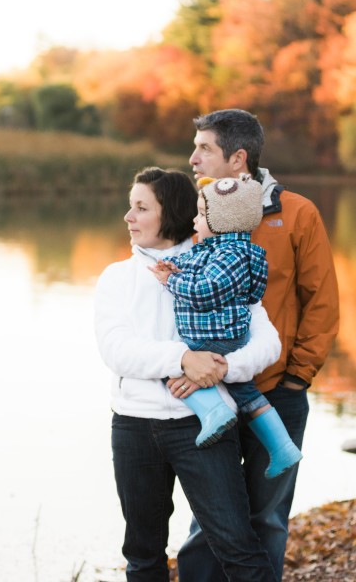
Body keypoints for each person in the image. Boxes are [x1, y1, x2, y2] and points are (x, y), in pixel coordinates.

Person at [94, 166, 281, 581]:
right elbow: (117, 350)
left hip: (204, 429)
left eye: (141, 208)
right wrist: (183, 359)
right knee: (143, 556)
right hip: (134, 428)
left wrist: (223, 368)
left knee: (238, 547)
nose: (129, 217)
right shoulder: (116, 278)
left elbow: (267, 344)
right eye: (130, 207)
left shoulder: (220, 268)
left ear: (173, 212)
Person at [177, 109, 340, 582]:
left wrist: (297, 378)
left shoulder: (297, 213)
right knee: (208, 521)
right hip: (211, 393)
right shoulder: (196, 215)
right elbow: (175, 301)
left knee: (267, 518)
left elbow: (322, 304)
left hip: (277, 394)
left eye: (204, 148)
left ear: (238, 158)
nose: (193, 158)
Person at [150, 173, 302, 479]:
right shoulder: (234, 251)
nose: (195, 220)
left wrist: (171, 279)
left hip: (212, 337)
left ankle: (214, 412)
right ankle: (283, 447)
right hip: (229, 334)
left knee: (171, 365)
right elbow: (228, 281)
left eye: (203, 214)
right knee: (247, 394)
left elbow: (206, 290)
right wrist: (177, 268)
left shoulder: (227, 255)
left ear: (224, 221)